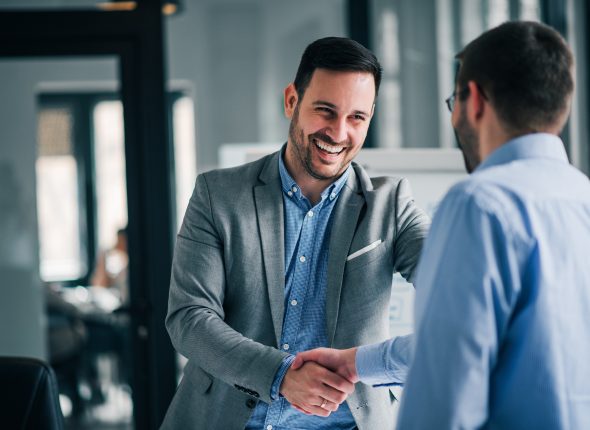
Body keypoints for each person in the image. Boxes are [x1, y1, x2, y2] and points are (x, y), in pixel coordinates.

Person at [293, 21, 590, 429]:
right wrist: (356, 362)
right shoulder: (582, 198)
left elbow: (446, 380)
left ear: (474, 101)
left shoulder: (480, 204)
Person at [161, 37, 430, 429]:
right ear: (292, 101)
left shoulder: (392, 205)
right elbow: (189, 318)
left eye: (357, 118)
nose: (338, 133)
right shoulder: (217, 195)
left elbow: (460, 296)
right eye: (325, 110)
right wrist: (280, 375)